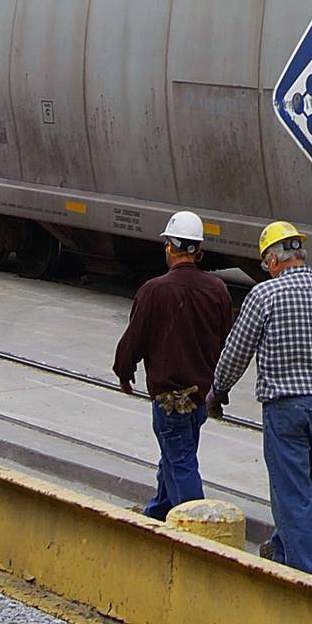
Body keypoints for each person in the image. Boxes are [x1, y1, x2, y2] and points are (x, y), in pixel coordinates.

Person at [208, 219, 312, 578]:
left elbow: (236, 352)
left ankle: (309, 574)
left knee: (292, 491)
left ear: (273, 261)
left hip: (286, 407)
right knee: (307, 485)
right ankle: (280, 546)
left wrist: (219, 390)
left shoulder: (264, 295)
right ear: (300, 255)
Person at [113, 209, 233, 521]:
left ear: (169, 247)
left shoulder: (154, 290)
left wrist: (124, 373)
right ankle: (158, 511)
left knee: (180, 461)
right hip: (201, 398)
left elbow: (133, 341)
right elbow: (226, 343)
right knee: (176, 453)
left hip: (170, 399)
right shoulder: (218, 290)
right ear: (200, 252)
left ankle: (198, 529)